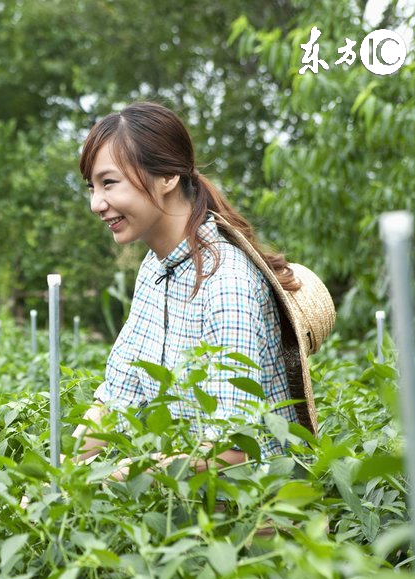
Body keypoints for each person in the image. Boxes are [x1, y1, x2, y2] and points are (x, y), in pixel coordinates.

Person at [73, 101, 334, 476]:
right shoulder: (155, 268)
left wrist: (128, 474)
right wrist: (61, 477)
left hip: (252, 517)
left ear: (167, 177)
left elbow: (234, 451)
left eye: (109, 183)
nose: (97, 204)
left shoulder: (225, 282)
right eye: (92, 187)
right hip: (191, 500)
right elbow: (118, 396)